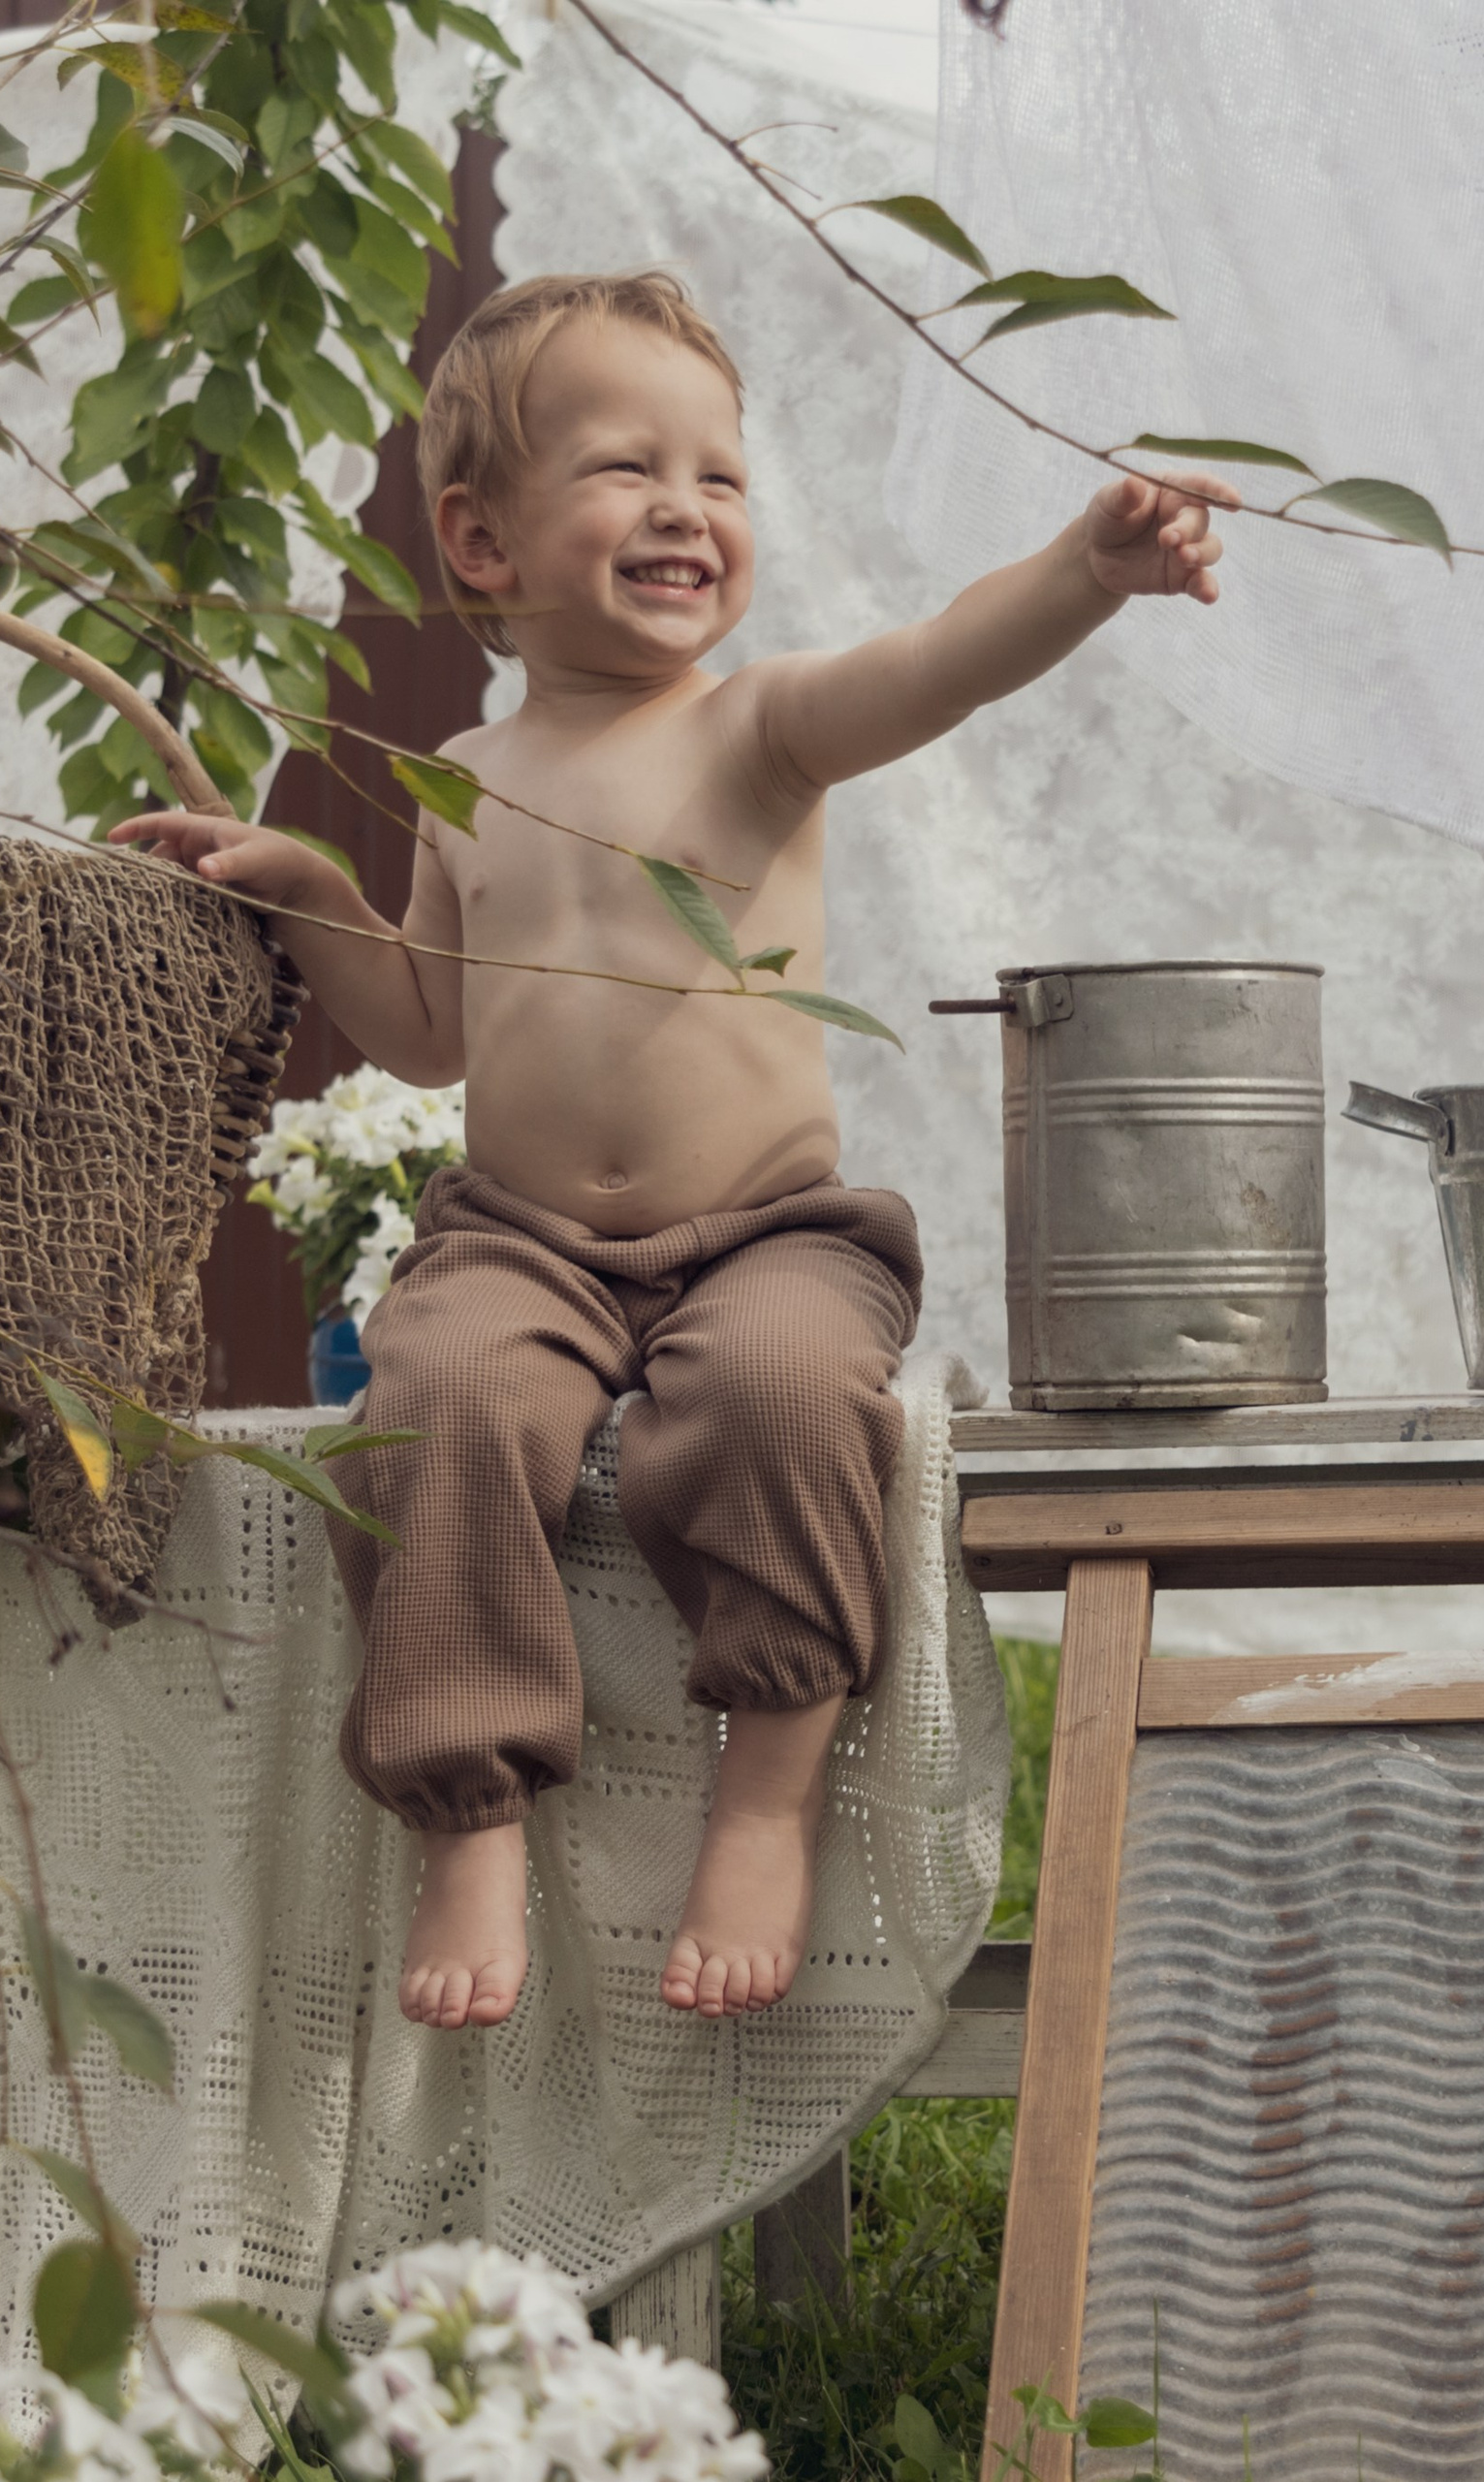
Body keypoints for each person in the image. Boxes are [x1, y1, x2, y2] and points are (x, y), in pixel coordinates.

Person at [113, 270, 1229, 2032]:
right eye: (627, 468)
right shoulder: (467, 771)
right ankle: (471, 1803)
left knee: (790, 1396)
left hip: (770, 1231)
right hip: (521, 1240)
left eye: (720, 475)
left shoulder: (758, 726)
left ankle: (769, 1794)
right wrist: (318, 895)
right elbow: (430, 1028)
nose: (687, 509)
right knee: (434, 1405)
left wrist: (1083, 574)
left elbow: (936, 663)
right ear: (483, 540)